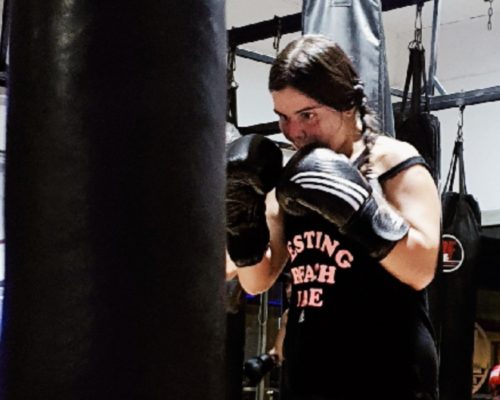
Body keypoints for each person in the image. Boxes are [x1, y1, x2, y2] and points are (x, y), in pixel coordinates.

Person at [226, 34, 441, 400]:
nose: (294, 131)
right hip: (310, 371)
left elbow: (421, 268)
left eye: (307, 115)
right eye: (283, 118)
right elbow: (257, 280)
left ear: (346, 103)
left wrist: (358, 208)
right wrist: (242, 225)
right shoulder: (291, 179)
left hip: (386, 372)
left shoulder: (393, 162)